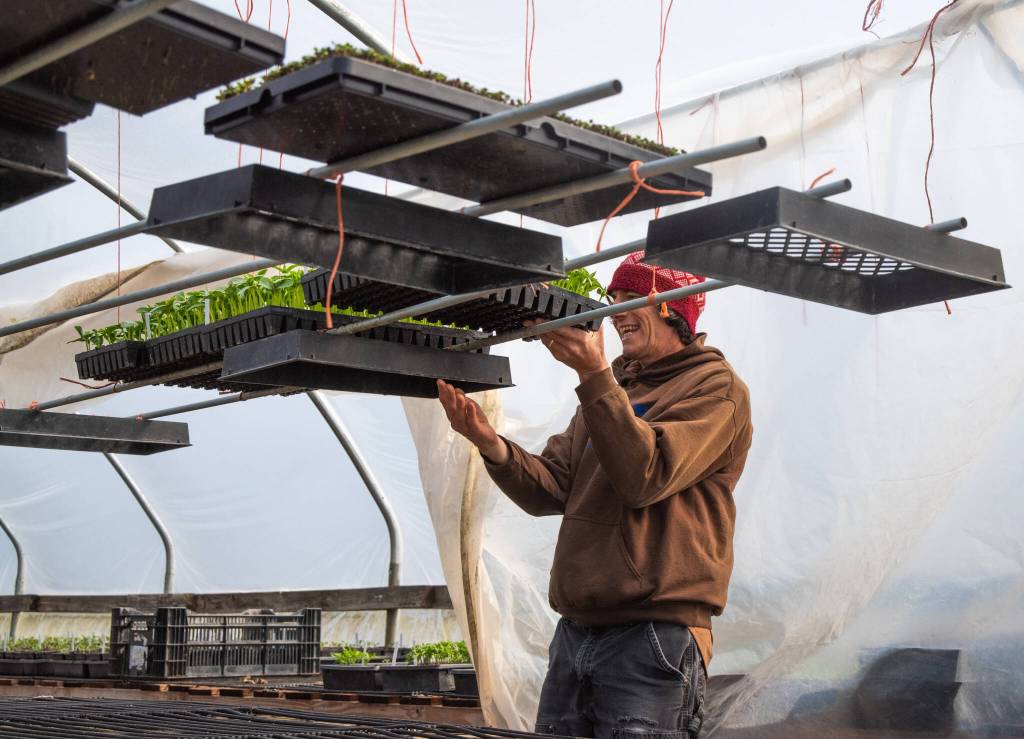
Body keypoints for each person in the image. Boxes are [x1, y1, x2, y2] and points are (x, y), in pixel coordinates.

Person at [436, 252, 753, 739]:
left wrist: (594, 374)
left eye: (632, 299)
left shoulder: (715, 388)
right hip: (577, 633)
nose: (616, 313)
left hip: (655, 633)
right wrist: (489, 442)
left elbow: (646, 475)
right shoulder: (612, 391)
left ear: (674, 309)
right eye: (614, 299)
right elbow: (554, 486)